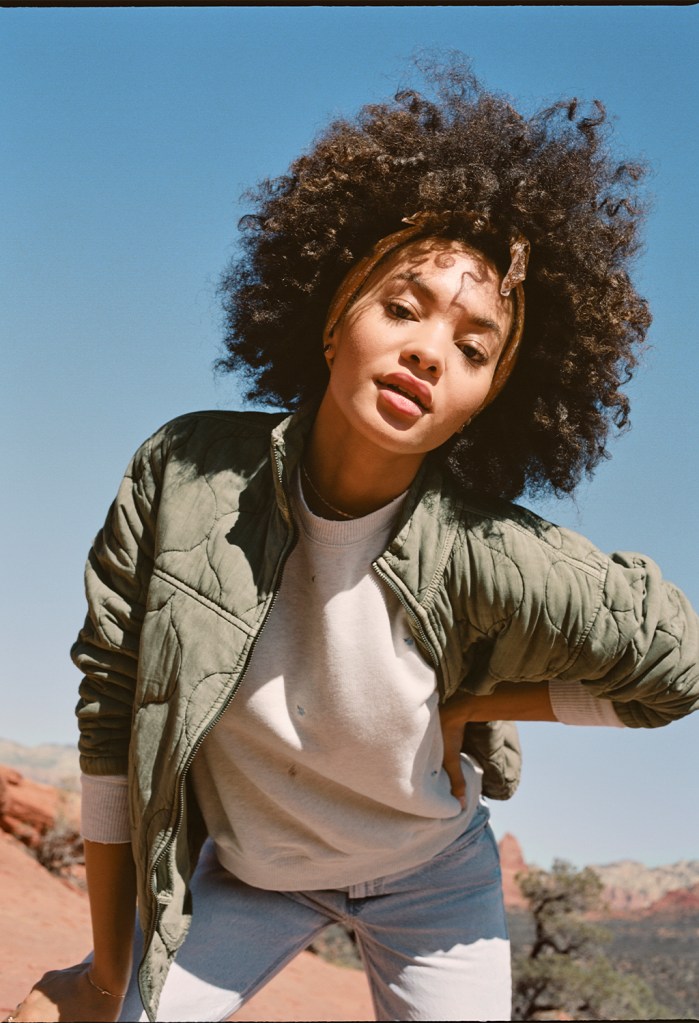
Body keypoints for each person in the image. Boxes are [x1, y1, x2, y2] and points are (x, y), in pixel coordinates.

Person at [7, 58, 698, 1023]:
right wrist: (107, 975)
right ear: (335, 318)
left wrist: (481, 703)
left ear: (485, 405)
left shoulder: (492, 553)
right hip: (248, 872)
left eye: (471, 347)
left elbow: (678, 670)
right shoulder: (184, 474)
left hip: (434, 880)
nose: (427, 349)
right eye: (403, 306)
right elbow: (112, 712)